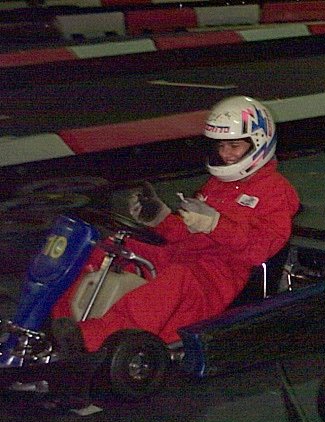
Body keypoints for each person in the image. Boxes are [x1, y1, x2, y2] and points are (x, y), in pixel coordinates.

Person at [51, 95, 301, 353]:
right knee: (109, 247)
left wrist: (216, 225)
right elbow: (186, 234)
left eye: (234, 146)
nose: (225, 154)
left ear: (259, 142)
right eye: (221, 146)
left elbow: (260, 249)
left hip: (219, 274)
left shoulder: (276, 191)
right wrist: (160, 218)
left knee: (177, 279)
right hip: (181, 254)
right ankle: (59, 321)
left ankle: (94, 338)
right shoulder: (217, 185)